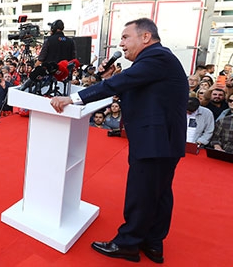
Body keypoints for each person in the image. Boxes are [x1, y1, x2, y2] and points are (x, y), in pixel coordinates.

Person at [50, 18, 186, 263]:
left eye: (125, 37)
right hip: (163, 139)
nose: (121, 44)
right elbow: (131, 87)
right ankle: (153, 243)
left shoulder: (156, 57)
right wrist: (109, 77)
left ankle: (128, 243)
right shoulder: (154, 62)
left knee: (142, 192)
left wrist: (75, 98)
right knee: (159, 193)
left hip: (154, 140)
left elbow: (122, 83)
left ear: (145, 37)